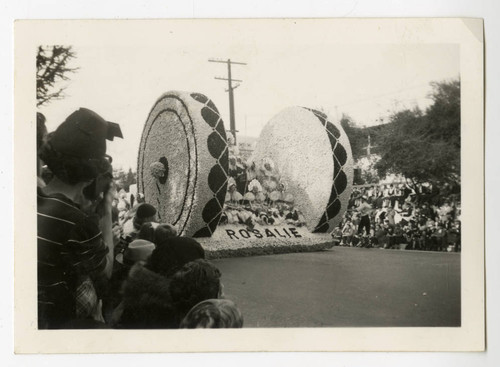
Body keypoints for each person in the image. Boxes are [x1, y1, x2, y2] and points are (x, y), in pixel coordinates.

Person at [37, 108, 123, 328]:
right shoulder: (77, 222)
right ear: (91, 174)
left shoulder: (31, 198)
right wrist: (105, 211)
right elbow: (105, 273)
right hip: (58, 325)